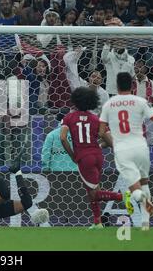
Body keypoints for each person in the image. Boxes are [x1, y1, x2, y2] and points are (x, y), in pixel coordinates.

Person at [99, 72, 153, 231]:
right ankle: (145, 223)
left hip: (122, 149)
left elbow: (102, 131)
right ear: (132, 85)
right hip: (141, 147)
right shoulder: (140, 101)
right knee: (144, 182)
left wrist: (114, 143)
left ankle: (138, 196)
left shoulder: (109, 104)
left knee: (134, 188)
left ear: (116, 85)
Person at [60, 87, 127, 230]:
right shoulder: (96, 119)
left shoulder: (69, 118)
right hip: (97, 156)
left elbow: (63, 138)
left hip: (84, 158)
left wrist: (73, 155)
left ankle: (122, 197)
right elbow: (108, 140)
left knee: (95, 193)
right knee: (92, 190)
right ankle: (97, 222)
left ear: (75, 101)